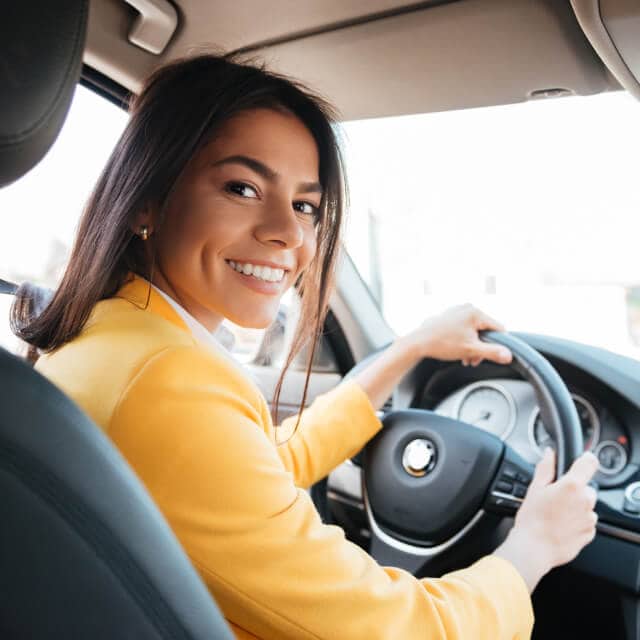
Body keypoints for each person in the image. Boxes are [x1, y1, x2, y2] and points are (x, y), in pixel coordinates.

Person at [12, 53, 599, 639]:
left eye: (305, 206)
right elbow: (395, 629)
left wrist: (407, 351)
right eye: (242, 187)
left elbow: (252, 476)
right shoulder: (167, 380)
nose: (289, 233)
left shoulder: (111, 335)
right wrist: (529, 550)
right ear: (147, 198)